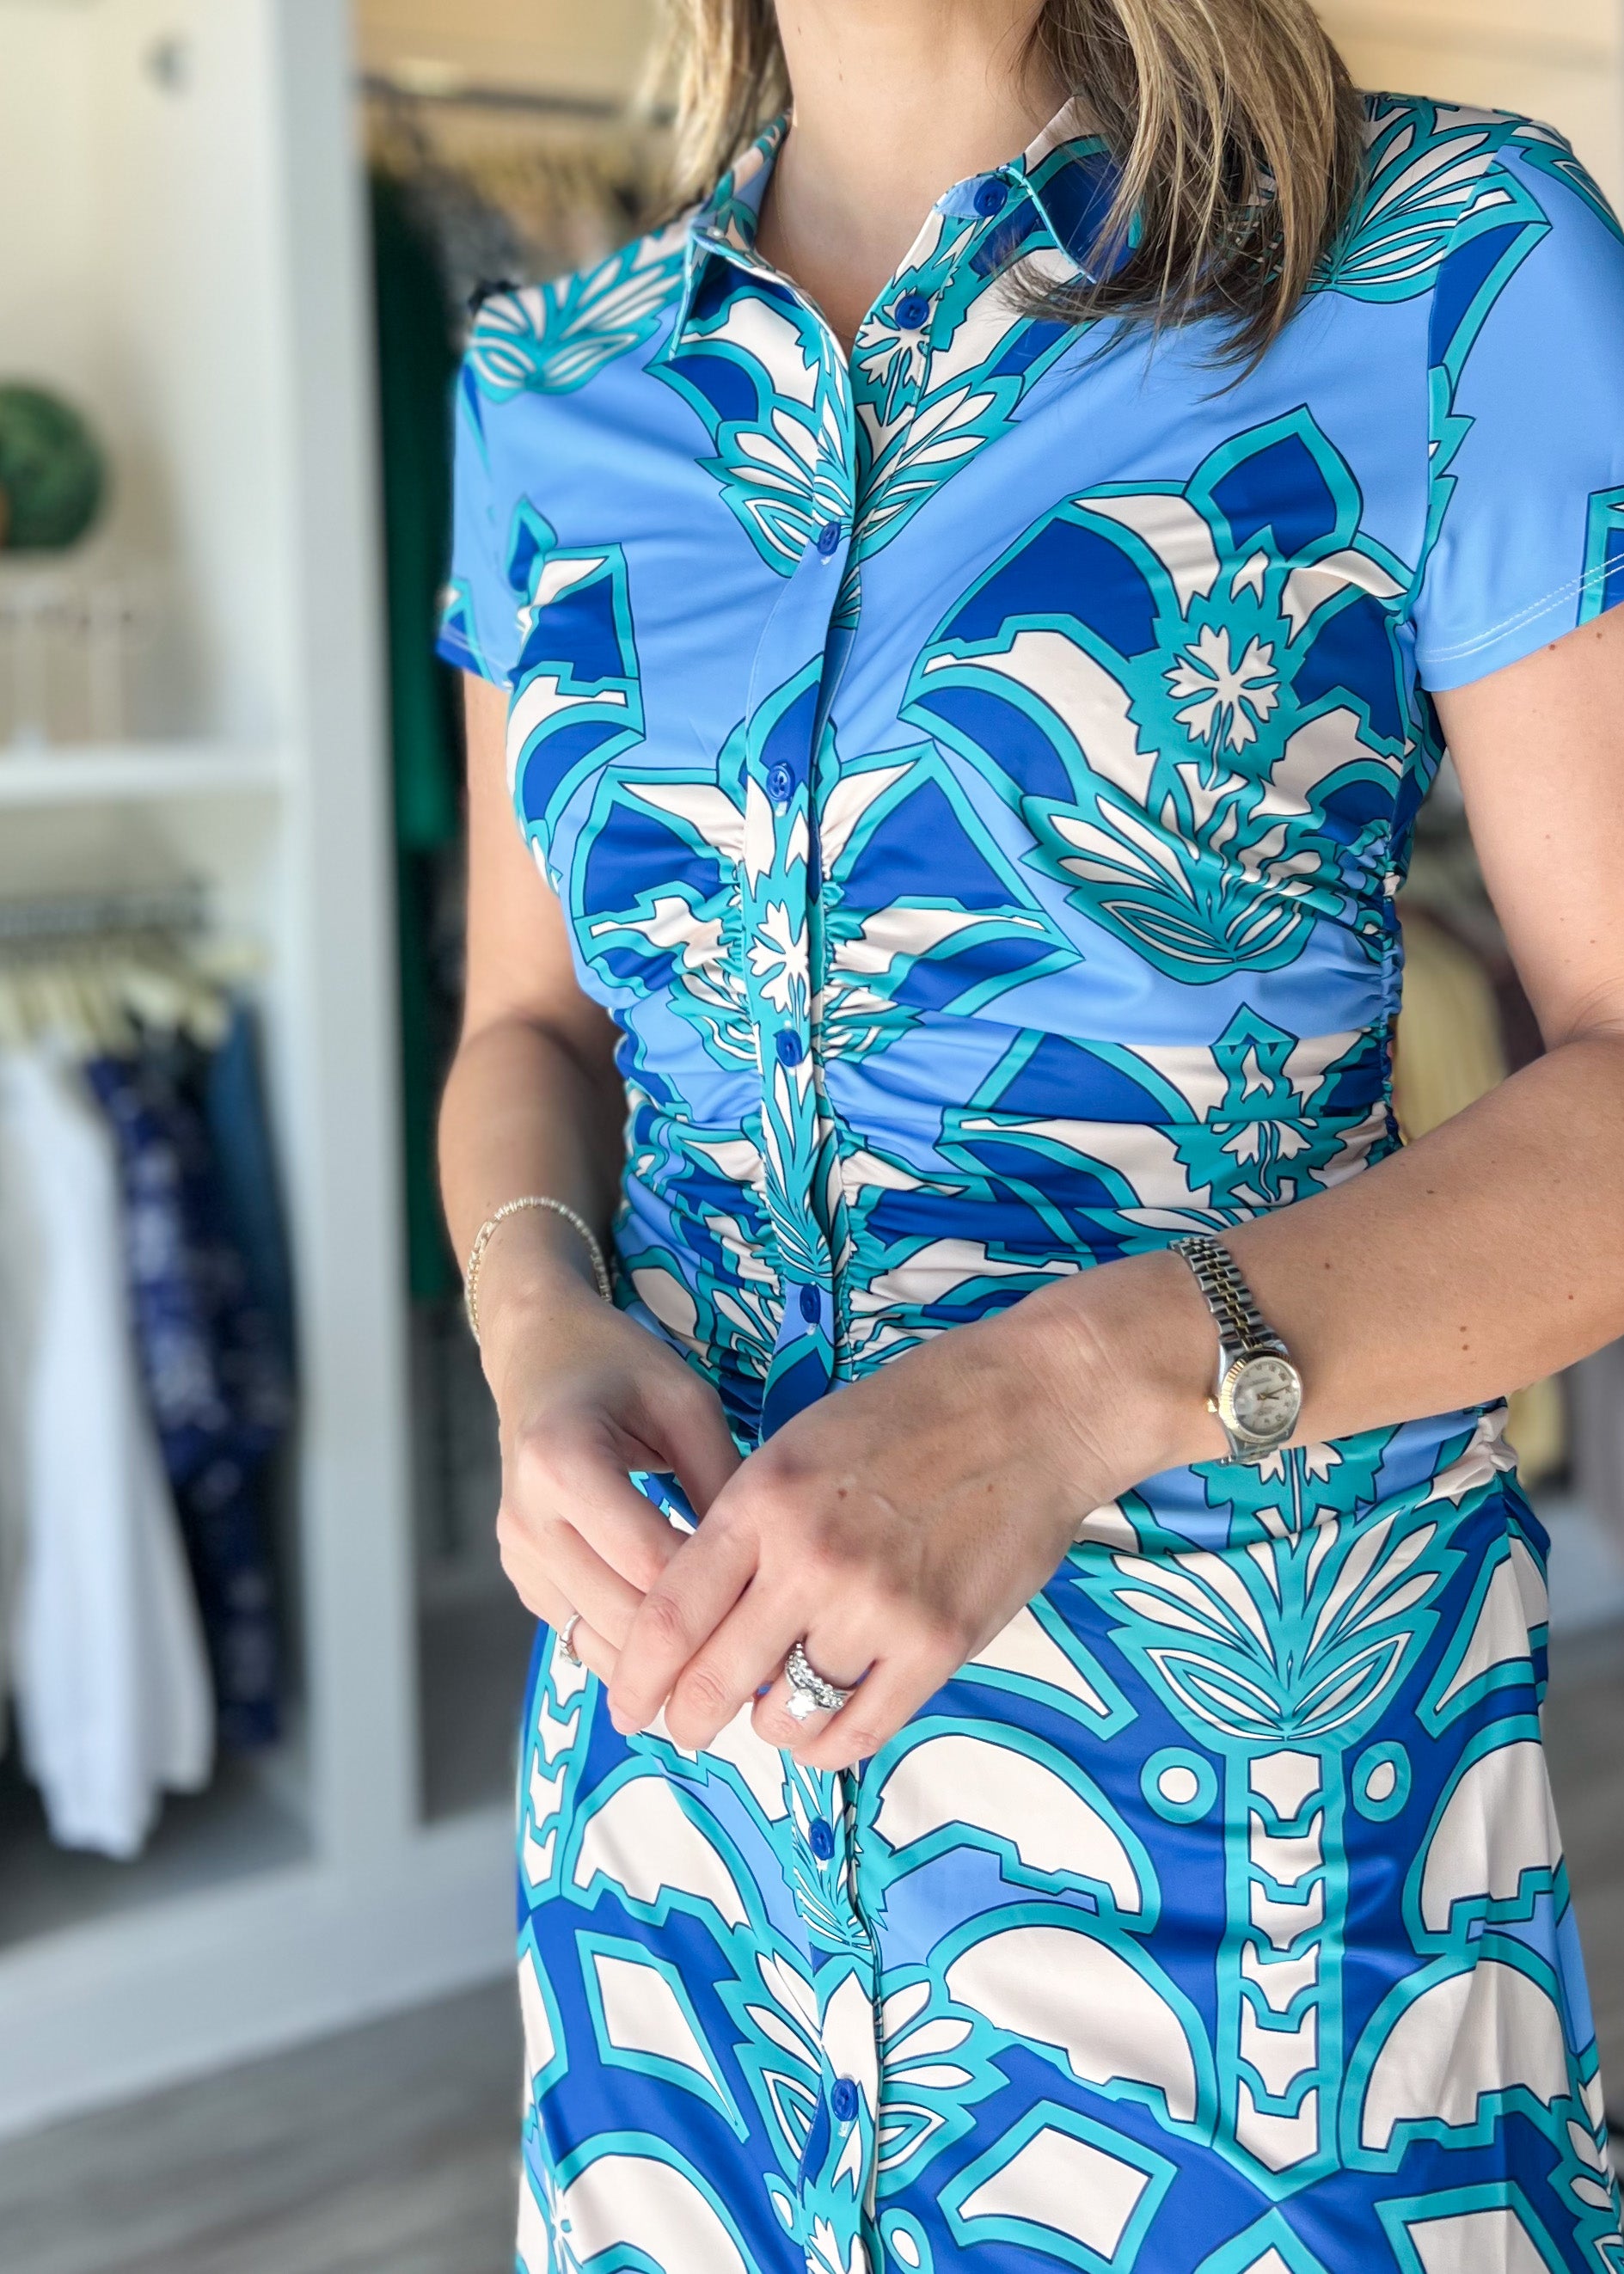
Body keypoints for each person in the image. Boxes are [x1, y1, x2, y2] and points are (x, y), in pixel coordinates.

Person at [434, 1, 1624, 2265]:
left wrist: (1073, 1388)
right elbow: (528, 1024)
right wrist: (535, 1327)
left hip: (1255, 1882)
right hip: (673, 1837)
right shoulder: (547, 385)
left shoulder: (1450, 259)